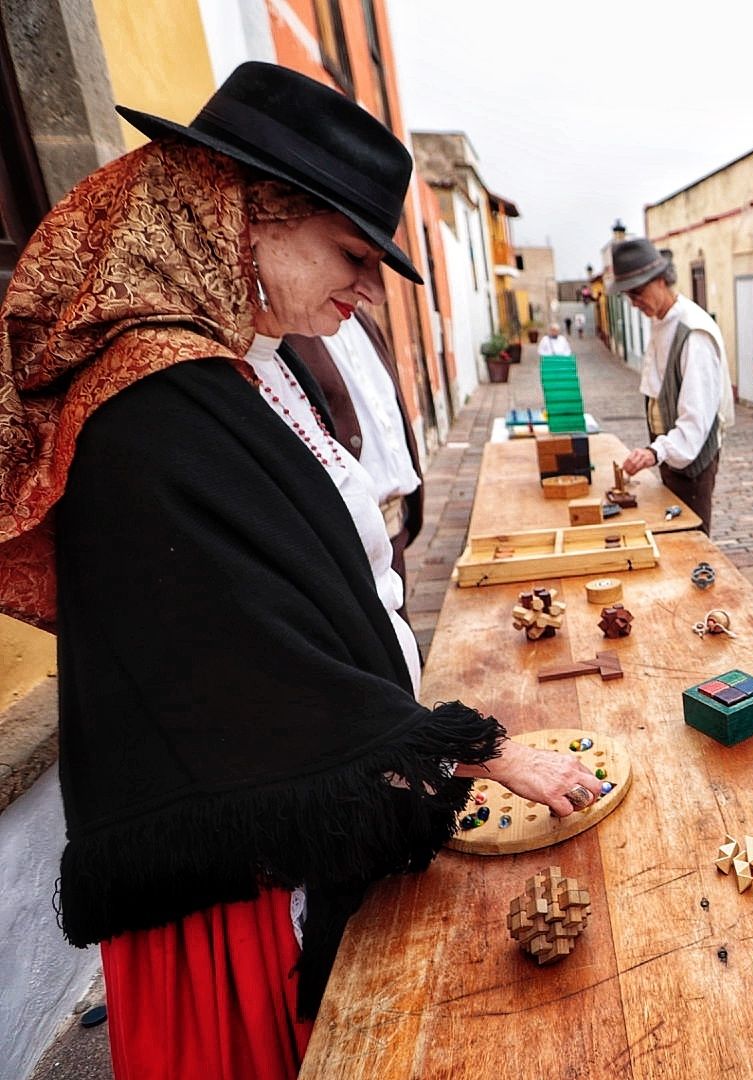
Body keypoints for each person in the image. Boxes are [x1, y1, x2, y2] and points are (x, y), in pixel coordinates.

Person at [0, 63, 601, 1080]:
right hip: (231, 877)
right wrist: (474, 749)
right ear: (249, 211)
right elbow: (239, 653)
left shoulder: (231, 357)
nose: (367, 290)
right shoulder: (151, 399)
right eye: (352, 255)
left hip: (274, 825)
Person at [283, 305, 423, 600]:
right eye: (354, 258)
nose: (374, 289)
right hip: (350, 541)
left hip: (394, 524)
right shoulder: (288, 332)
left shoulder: (364, 321)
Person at [609, 238, 733, 534]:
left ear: (662, 280)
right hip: (669, 452)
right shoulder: (660, 319)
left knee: (691, 542)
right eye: (628, 295)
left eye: (638, 292)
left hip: (691, 461)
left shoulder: (693, 333)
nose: (634, 302)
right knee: (672, 533)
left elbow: (695, 421)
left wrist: (654, 452)